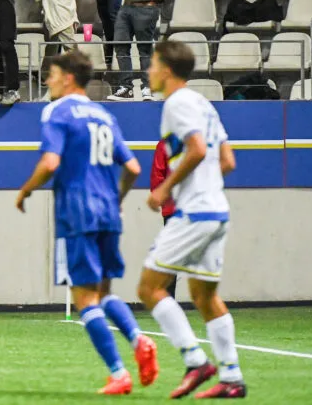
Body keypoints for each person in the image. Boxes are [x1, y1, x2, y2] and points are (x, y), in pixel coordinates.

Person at [15, 49, 154, 395]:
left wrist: (25, 191)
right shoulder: (104, 114)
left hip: (77, 211)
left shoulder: (57, 111)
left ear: (68, 78)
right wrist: (116, 200)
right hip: (108, 211)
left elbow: (49, 163)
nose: (47, 81)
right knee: (104, 291)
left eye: (51, 74)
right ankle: (138, 339)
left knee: (84, 298)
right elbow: (134, 168)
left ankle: (118, 373)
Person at [135, 40, 247, 399]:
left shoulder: (177, 103)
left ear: (166, 70)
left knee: (149, 288)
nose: (149, 72)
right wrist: (206, 185)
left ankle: (195, 361)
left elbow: (197, 149)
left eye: (152, 66)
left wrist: (165, 188)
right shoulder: (204, 104)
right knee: (203, 294)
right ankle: (232, 378)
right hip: (218, 209)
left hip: (195, 212)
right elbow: (227, 160)